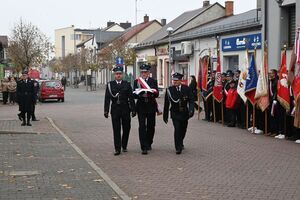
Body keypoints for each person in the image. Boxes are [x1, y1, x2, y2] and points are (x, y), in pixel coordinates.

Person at [104, 66, 136, 156]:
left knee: (127, 128)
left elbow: (131, 97)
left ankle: (124, 144)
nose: (118, 75)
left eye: (120, 74)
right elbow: (107, 99)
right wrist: (106, 111)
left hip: (125, 109)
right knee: (116, 129)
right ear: (114, 75)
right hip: (115, 109)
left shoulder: (127, 84)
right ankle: (117, 148)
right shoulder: (110, 85)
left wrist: (133, 109)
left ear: (122, 75)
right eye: (117, 74)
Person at [163, 72, 194, 154]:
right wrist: (165, 116)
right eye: (174, 80)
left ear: (181, 80)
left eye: (176, 80)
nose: (175, 82)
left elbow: (191, 100)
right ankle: (178, 147)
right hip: (175, 113)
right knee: (177, 129)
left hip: (184, 113)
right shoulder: (170, 90)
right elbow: (167, 104)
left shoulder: (186, 89)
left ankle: (181, 141)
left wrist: (191, 110)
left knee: (183, 129)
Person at [133, 64, 159, 155]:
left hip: (151, 106)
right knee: (142, 126)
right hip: (141, 106)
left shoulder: (153, 81)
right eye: (142, 72)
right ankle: (143, 146)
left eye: (145, 72)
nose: (144, 74)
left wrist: (151, 92)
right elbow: (134, 94)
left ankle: (149, 142)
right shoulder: (137, 81)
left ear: (149, 73)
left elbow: (157, 94)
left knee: (151, 126)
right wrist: (139, 93)